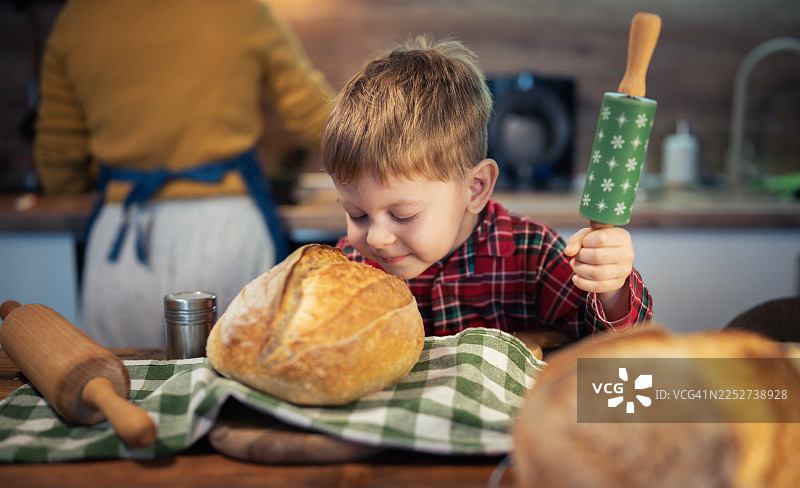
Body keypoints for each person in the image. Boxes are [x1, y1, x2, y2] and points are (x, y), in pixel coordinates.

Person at [34, 0, 334, 347]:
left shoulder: (78, 18)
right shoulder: (240, 10)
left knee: (119, 382)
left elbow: (58, 151)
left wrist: (75, 186)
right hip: (227, 233)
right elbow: (313, 111)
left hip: (122, 241)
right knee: (238, 380)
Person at [321, 36, 652, 340]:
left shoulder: (531, 255)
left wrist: (611, 289)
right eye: (358, 214)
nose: (377, 238)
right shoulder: (350, 267)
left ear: (476, 188)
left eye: (403, 215)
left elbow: (612, 342)